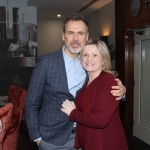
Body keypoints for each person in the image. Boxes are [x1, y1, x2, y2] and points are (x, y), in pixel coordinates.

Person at [25, 14, 126, 150]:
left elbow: (103, 86)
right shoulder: (46, 62)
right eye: (70, 33)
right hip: (51, 139)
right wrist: (36, 137)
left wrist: (122, 91)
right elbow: (31, 103)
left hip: (83, 137)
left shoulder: (88, 64)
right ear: (63, 36)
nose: (75, 39)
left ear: (86, 36)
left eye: (80, 33)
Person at [61, 38, 128, 150]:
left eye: (95, 55)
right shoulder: (86, 80)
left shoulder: (107, 81)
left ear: (103, 60)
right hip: (90, 141)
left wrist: (73, 113)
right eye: (85, 54)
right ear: (81, 58)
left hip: (105, 143)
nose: (89, 59)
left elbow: (100, 120)